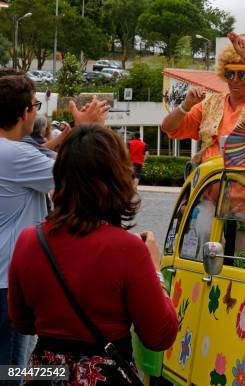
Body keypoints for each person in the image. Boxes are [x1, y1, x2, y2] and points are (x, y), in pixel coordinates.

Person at [9, 124, 178, 385]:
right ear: (117, 179)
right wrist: (156, 270)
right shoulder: (129, 249)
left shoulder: (30, 240)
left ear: (61, 175)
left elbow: (22, 322)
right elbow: (160, 336)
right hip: (105, 374)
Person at [0, 68, 110, 380]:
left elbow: (41, 157)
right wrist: (91, 132)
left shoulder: (11, 153)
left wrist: (73, 131)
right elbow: (77, 169)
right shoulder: (16, 156)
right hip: (6, 283)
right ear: (25, 113)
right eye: (35, 106)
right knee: (11, 370)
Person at [161, 32, 245, 163]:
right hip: (210, 174)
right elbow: (168, 127)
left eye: (242, 75)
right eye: (230, 74)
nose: (235, 80)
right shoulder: (209, 104)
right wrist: (185, 105)